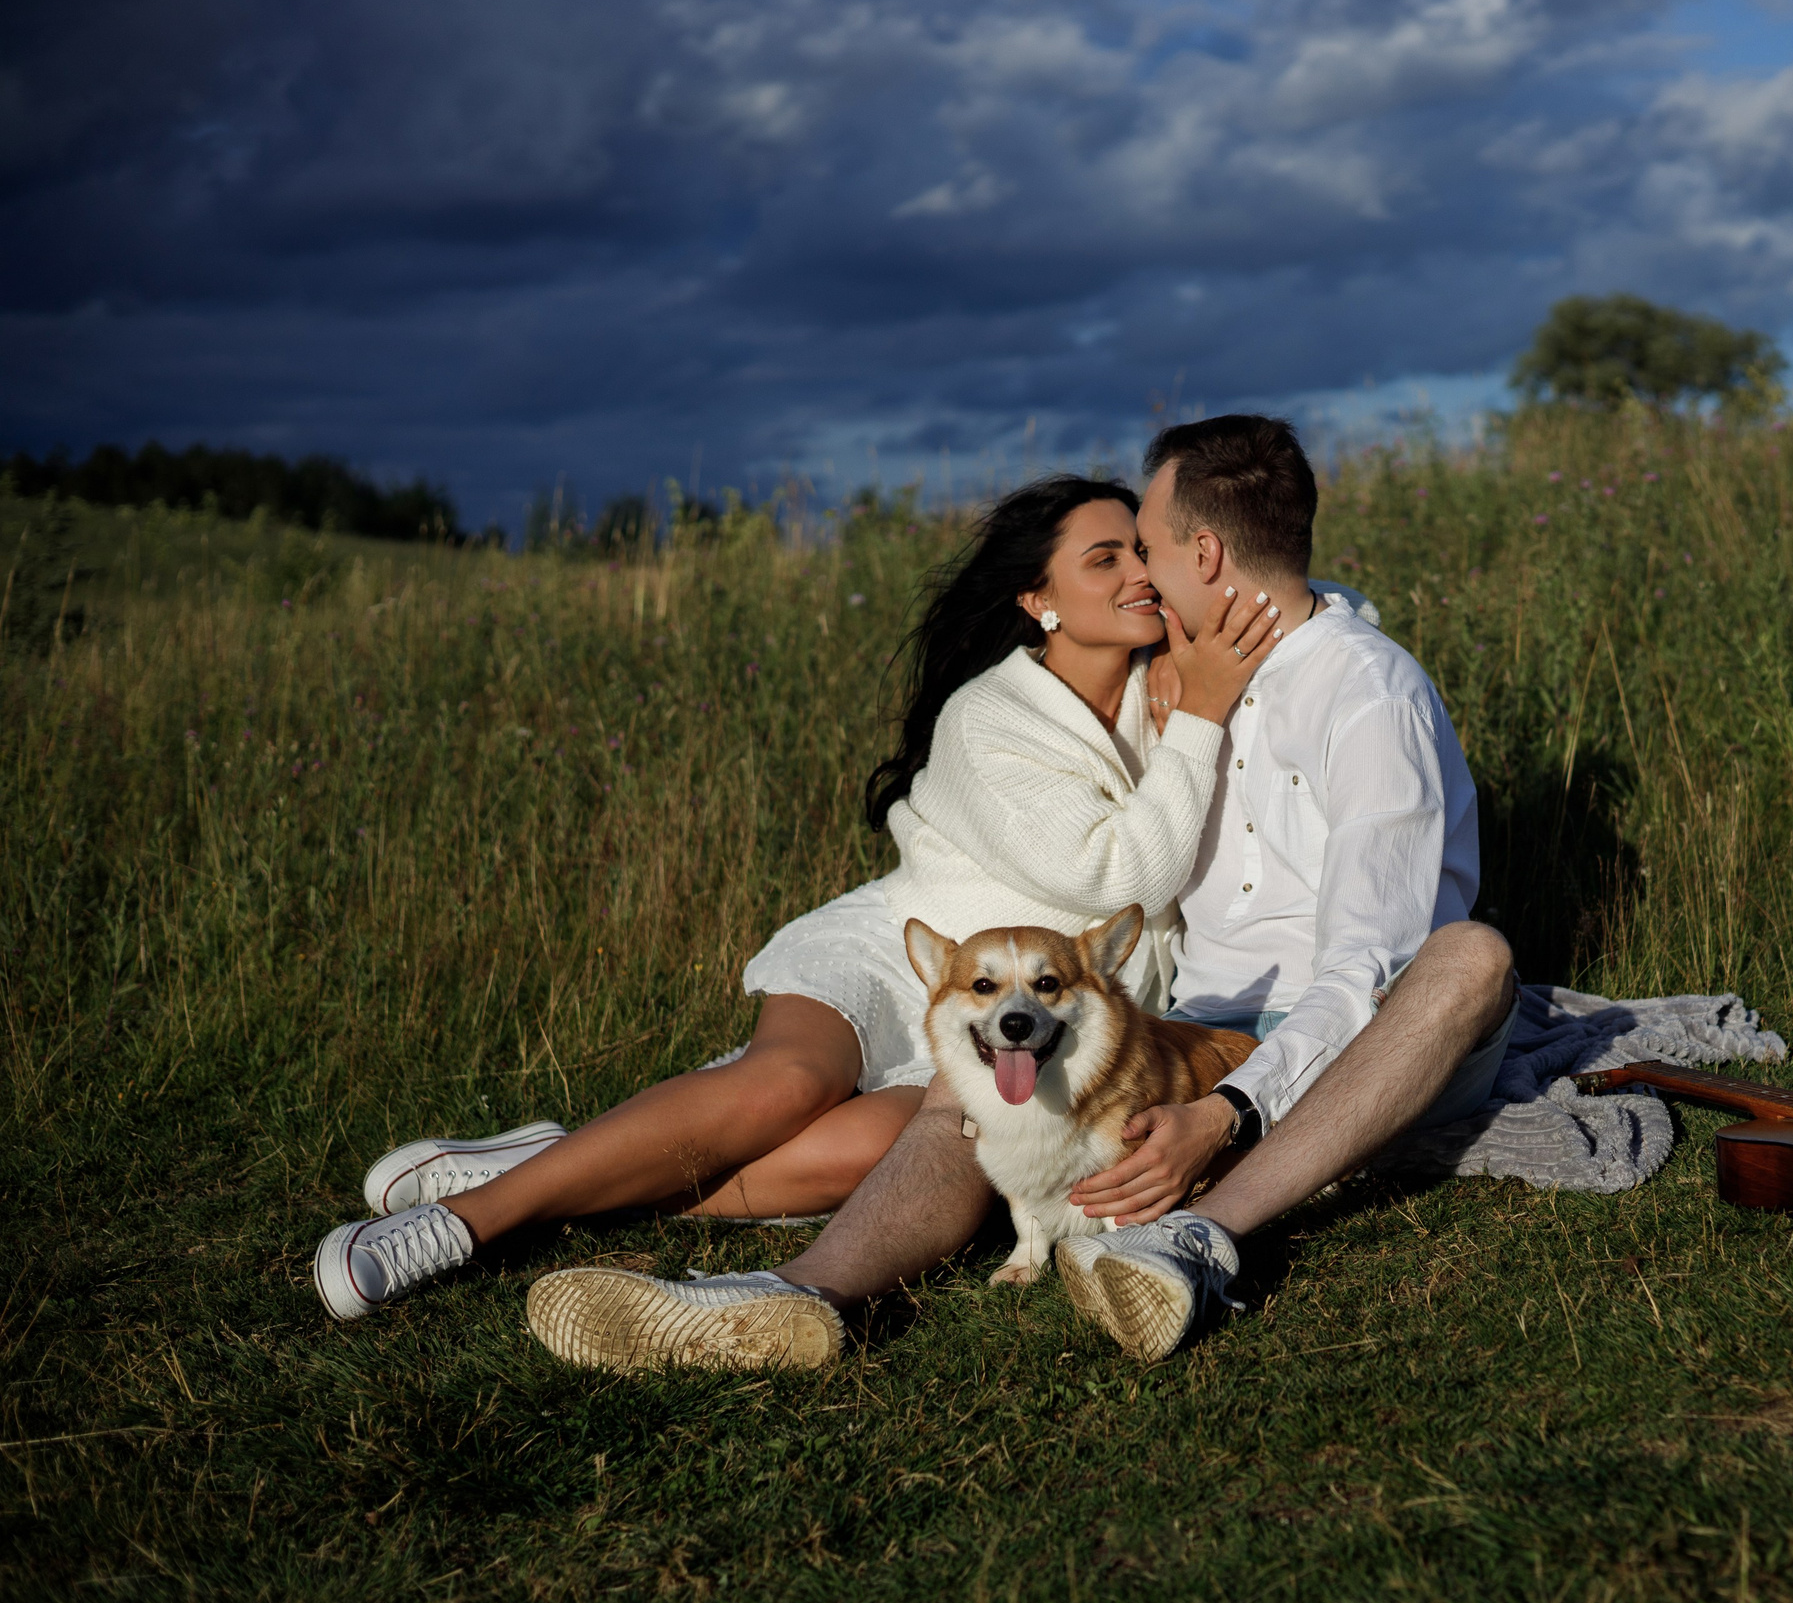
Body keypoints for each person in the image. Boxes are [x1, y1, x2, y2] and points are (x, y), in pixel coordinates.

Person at [522, 415, 1517, 1367]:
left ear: (1206, 554)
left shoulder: (1366, 696)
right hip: (1199, 1035)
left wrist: (1225, 1115)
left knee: (1472, 957)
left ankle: (1195, 1238)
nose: (1140, 576)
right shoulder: (1181, 670)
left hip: (1352, 1051)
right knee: (969, 1079)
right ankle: (799, 1293)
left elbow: (1365, 971)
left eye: (1148, 550)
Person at [312, 475, 1278, 1323]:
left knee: (875, 1149)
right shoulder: (989, 718)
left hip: (1031, 1010)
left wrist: (1187, 677)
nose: (1139, 573)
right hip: (911, 951)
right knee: (783, 1087)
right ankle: (467, 1223)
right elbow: (1123, 877)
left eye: (1141, 551)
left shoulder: (1164, 683)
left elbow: (1300, 604)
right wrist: (1200, 711)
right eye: (1104, 559)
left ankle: (569, 1166)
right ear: (1039, 598)